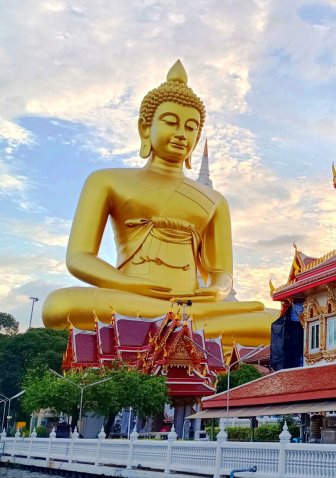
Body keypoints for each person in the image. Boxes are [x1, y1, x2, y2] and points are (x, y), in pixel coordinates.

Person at [43, 61, 276, 345]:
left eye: (191, 127)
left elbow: (221, 273)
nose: (182, 134)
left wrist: (215, 291)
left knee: (276, 322)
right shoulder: (106, 180)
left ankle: (176, 321)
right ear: (145, 128)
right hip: (130, 297)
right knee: (58, 306)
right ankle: (182, 325)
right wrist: (128, 284)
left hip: (194, 304)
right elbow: (79, 257)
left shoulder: (215, 201)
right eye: (170, 122)